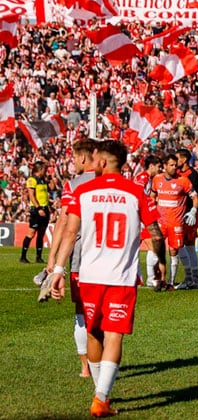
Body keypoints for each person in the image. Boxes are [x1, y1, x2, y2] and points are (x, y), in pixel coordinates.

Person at [50, 139, 166, 417]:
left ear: (101, 162)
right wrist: (160, 261)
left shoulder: (84, 190)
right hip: (121, 276)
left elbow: (68, 232)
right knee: (114, 335)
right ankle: (101, 398)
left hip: (88, 274)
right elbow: (156, 233)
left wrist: (57, 270)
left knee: (94, 331)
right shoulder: (137, 192)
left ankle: (99, 394)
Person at [36, 139, 98, 379]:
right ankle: (103, 364)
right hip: (111, 259)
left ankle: (86, 367)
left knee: (82, 312)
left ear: (83, 158)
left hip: (82, 257)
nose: (73, 163)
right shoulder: (111, 182)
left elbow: (64, 221)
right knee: (103, 316)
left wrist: (53, 258)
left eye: (73, 158)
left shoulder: (73, 185)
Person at [151, 154, 198, 290]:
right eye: (171, 165)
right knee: (157, 250)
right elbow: (153, 196)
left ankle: (171, 282)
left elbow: (195, 198)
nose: (174, 167)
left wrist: (193, 211)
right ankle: (157, 279)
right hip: (160, 222)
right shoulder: (157, 179)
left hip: (176, 223)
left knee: (174, 251)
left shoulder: (183, 181)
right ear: (165, 166)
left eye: (175, 165)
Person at [133, 155, 163, 287]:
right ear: (151, 166)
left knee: (133, 250)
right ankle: (150, 278)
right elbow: (137, 192)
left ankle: (138, 278)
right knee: (154, 246)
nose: (160, 169)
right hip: (139, 217)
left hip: (139, 217)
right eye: (158, 166)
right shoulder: (143, 177)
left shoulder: (148, 178)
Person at [176, 149, 198, 288]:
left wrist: (192, 211)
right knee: (187, 245)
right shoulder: (180, 174)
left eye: (177, 158)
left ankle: (192, 279)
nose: (176, 162)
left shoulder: (191, 175)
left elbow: (192, 195)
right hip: (184, 213)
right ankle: (193, 279)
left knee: (186, 245)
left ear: (184, 159)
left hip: (190, 213)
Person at [20, 161, 50, 264]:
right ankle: (23, 257)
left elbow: (51, 189)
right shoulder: (32, 180)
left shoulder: (42, 180)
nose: (45, 171)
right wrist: (38, 209)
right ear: (40, 169)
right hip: (37, 210)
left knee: (41, 234)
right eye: (44, 169)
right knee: (31, 233)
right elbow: (31, 196)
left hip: (45, 208)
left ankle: (39, 257)